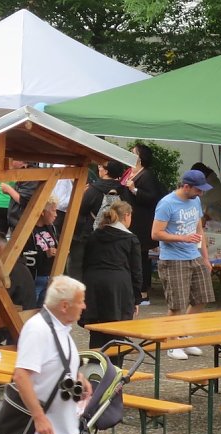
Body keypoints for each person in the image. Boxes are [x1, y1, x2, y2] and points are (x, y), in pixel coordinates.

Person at [0, 276, 96, 434]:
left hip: (62, 425)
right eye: (80, 302)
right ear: (64, 305)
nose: (84, 306)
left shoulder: (60, 328)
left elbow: (54, 364)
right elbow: (21, 376)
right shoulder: (38, 329)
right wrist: (39, 418)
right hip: (44, 429)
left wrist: (79, 378)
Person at [151, 169, 215, 360]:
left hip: (193, 256)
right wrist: (183, 238)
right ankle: (172, 342)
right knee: (177, 303)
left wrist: (205, 257)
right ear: (186, 186)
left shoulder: (195, 200)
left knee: (202, 297)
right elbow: (156, 233)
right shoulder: (167, 203)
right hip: (173, 258)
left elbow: (199, 229)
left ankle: (184, 335)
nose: (201, 193)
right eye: (198, 189)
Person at [81, 201, 142, 349]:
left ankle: (95, 366)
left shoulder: (95, 235)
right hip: (118, 286)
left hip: (94, 284)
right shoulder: (130, 239)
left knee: (96, 329)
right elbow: (136, 271)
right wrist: (137, 298)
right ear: (126, 216)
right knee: (117, 331)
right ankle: (115, 369)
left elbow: (85, 261)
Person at [68, 161, 129, 281]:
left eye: (101, 166)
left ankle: (78, 292)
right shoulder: (124, 191)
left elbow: (81, 209)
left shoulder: (94, 189)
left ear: (106, 171)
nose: (99, 168)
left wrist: (81, 195)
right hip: (114, 234)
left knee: (77, 264)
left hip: (88, 233)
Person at [123, 145, 166, 304]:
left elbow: (152, 197)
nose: (130, 155)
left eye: (133, 153)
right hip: (130, 220)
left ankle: (142, 292)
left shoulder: (147, 175)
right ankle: (134, 289)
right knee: (133, 256)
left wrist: (134, 190)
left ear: (140, 158)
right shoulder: (130, 172)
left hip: (141, 222)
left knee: (140, 256)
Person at [22, 198, 59, 306]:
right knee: (31, 308)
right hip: (35, 277)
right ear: (43, 212)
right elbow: (24, 255)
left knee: (46, 309)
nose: (56, 214)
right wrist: (45, 254)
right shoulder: (29, 230)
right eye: (53, 210)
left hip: (50, 275)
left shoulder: (52, 228)